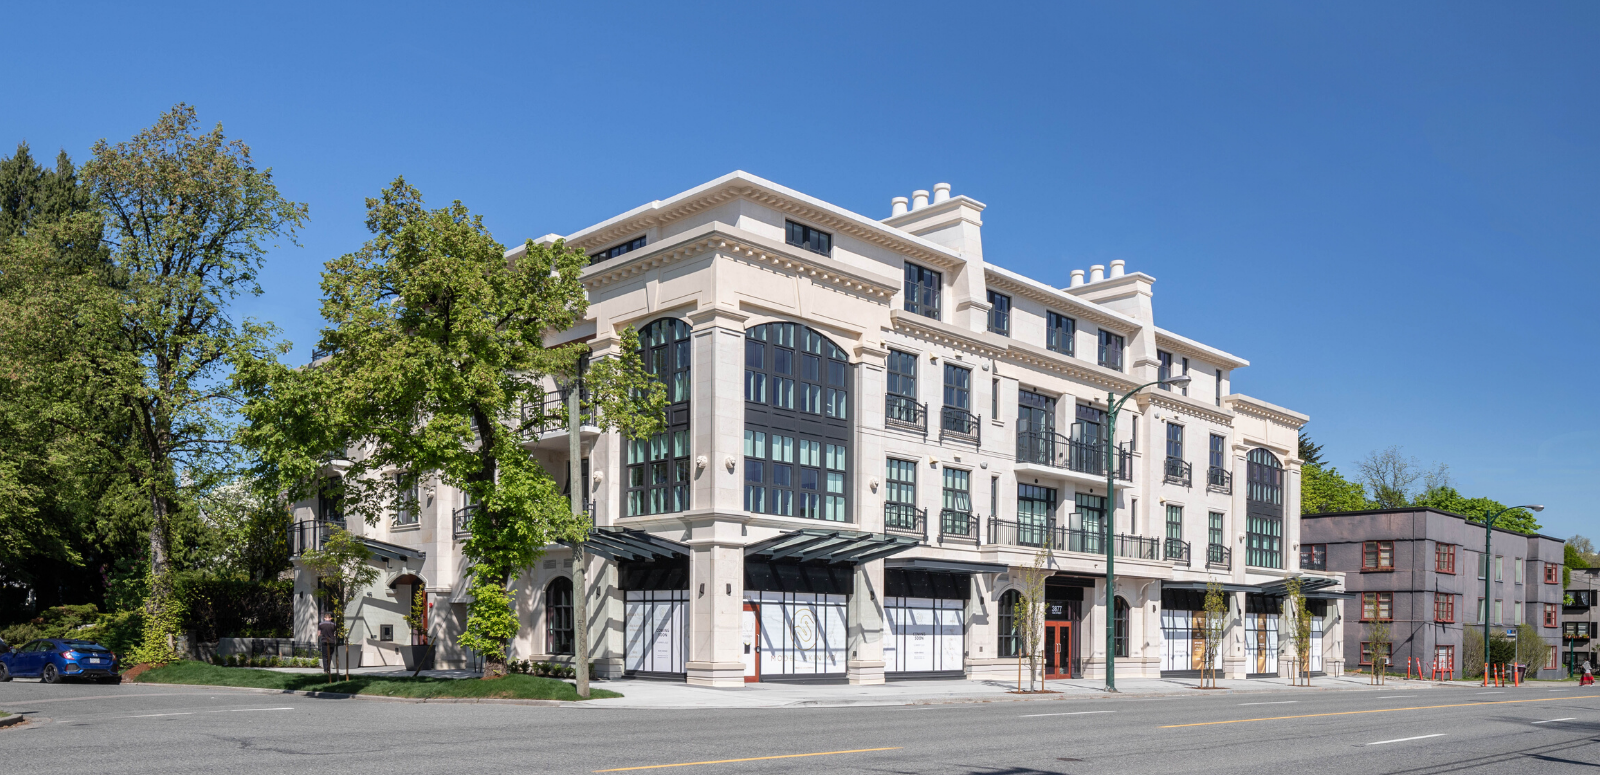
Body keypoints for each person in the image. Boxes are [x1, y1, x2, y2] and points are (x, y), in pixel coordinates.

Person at [318, 613, 338, 680]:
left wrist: (321, 635)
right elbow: (335, 634)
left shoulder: (321, 625)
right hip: (332, 641)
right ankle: (329, 669)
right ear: (330, 618)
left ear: (324, 618)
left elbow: (319, 633)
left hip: (324, 641)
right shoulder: (334, 625)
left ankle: (325, 670)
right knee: (330, 656)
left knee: (324, 656)